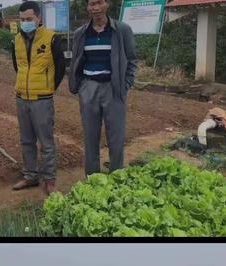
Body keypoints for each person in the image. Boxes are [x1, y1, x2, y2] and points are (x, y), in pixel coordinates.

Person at [69, 0, 137, 176]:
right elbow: (76, 59)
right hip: (88, 88)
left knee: (116, 137)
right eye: (92, 4)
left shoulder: (121, 30)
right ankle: (92, 179)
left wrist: (125, 84)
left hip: (113, 89)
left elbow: (132, 59)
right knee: (90, 138)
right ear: (87, 7)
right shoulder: (80, 33)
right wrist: (80, 86)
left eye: (99, 2)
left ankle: (116, 177)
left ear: (107, 4)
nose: (96, 8)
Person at [11, 1, 66, 195]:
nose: (25, 22)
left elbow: (60, 67)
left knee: (46, 142)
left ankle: (49, 179)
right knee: (26, 140)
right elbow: (17, 66)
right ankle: (30, 176)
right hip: (21, 98)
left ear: (38, 18)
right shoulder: (16, 40)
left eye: (29, 19)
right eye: (22, 19)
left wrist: (48, 87)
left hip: (42, 99)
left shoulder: (51, 39)